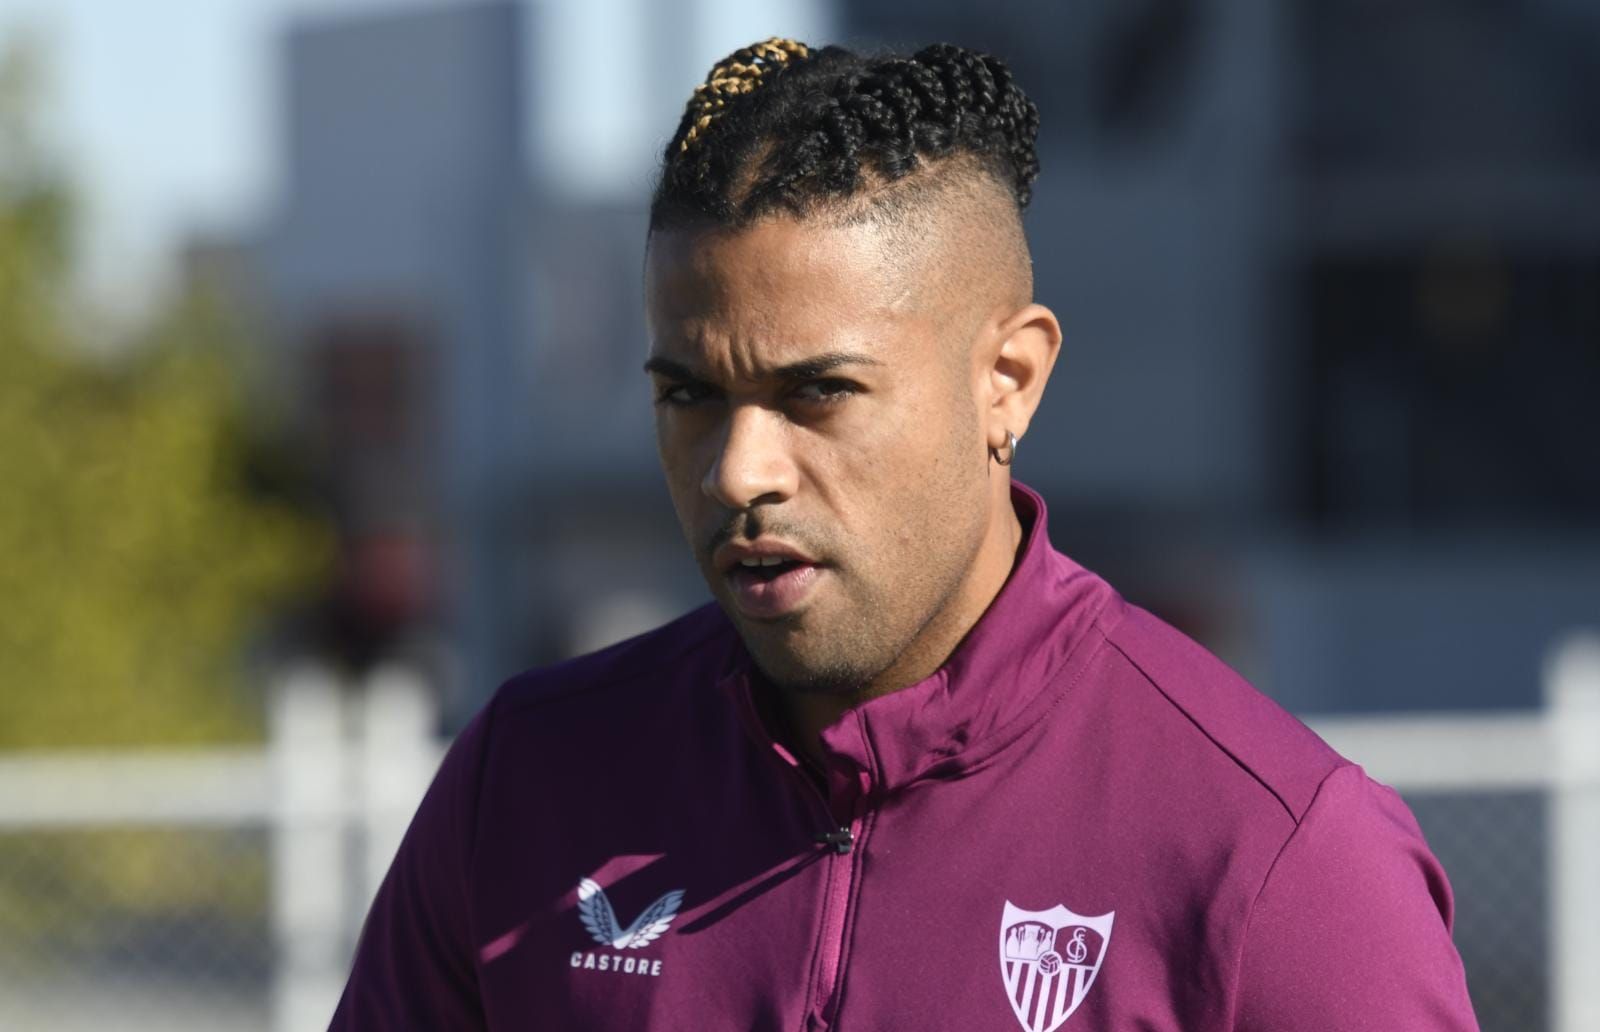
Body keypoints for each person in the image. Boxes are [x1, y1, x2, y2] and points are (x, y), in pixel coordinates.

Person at [332, 37, 1479, 1031]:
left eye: (817, 392)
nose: (738, 470)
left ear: (1007, 380)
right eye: (688, 395)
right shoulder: (526, 781)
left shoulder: (1279, 857)